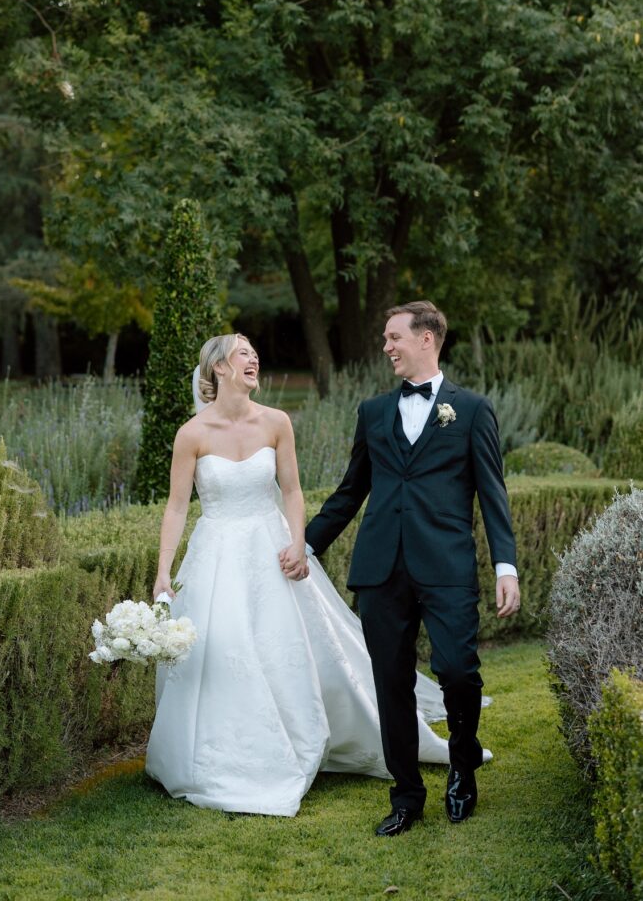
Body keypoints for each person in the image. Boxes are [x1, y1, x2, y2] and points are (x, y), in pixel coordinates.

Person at [145, 332, 491, 817]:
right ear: (219, 368)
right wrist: (164, 570)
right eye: (245, 353)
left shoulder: (277, 422)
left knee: (285, 648)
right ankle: (231, 755)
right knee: (223, 648)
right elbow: (178, 506)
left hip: (272, 551)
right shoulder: (192, 434)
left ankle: (307, 737)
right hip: (216, 554)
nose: (254, 358)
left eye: (254, 352)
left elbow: (291, 490)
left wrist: (298, 541)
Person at [302, 301, 519, 835]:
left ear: (427, 339)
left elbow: (493, 494)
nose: (386, 346)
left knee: (459, 671)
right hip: (381, 570)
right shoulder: (373, 412)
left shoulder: (470, 410)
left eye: (394, 336)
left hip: (446, 566)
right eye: (384, 337)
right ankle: (406, 797)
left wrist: (505, 565)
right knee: (390, 682)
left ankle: (462, 767)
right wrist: (304, 545)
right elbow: (351, 491)